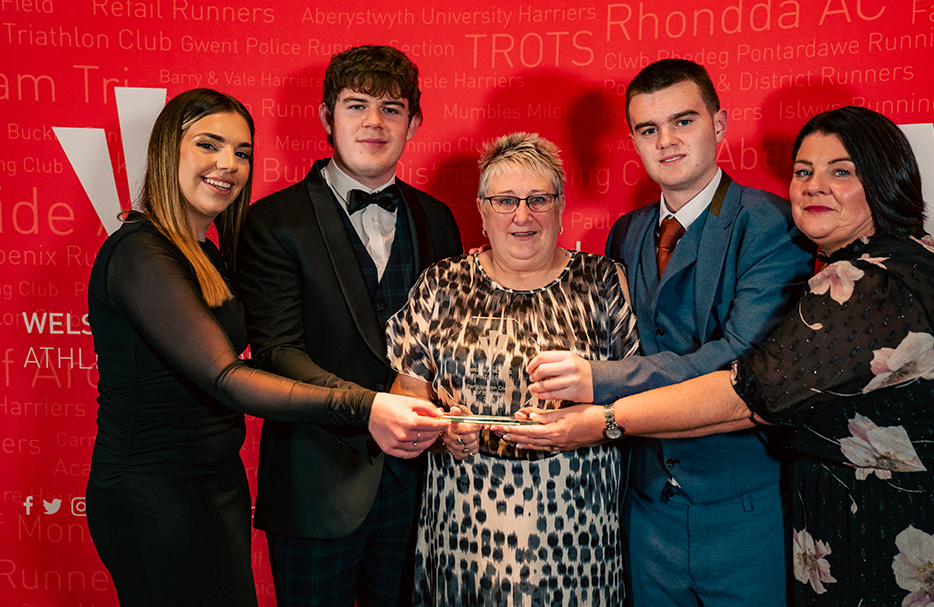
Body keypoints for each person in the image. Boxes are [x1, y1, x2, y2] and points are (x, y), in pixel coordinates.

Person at [505, 106, 934, 605]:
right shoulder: (894, 256)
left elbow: (747, 395)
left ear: (886, 179)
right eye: (804, 171)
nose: (815, 186)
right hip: (879, 529)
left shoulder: (866, 283)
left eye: (841, 171)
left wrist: (601, 419)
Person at [85, 88, 447, 607]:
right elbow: (226, 377)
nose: (226, 165)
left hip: (214, 483)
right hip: (155, 494)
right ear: (168, 150)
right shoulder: (142, 251)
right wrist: (366, 405)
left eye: (241, 151)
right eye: (208, 145)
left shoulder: (206, 253)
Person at [519, 59, 815, 606]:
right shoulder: (626, 232)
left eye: (684, 122)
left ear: (719, 124)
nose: (667, 142)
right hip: (644, 507)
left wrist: (597, 380)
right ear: (632, 139)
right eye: (648, 129)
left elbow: (740, 361)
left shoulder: (773, 225)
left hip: (741, 509)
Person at [236, 46, 463, 606]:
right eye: (356, 105)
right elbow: (276, 353)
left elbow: (452, 344)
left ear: (414, 122)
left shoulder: (437, 217)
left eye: (391, 108)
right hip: (317, 487)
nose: (373, 123)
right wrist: (371, 407)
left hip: (422, 493)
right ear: (325, 117)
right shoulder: (272, 221)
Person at [385, 132, 639, 606]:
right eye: (505, 201)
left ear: (561, 205)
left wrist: (589, 424)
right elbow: (407, 392)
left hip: (575, 528)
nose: (523, 216)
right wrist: (440, 428)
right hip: (464, 522)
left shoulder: (603, 281)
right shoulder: (442, 283)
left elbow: (637, 398)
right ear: (481, 209)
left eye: (538, 199)